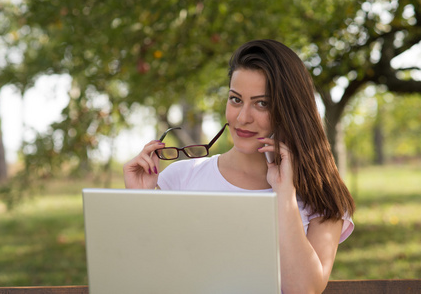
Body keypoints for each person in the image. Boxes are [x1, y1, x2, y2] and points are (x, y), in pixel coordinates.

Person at [123, 39, 355, 294]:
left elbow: (303, 289)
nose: (243, 118)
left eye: (261, 103)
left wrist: (284, 195)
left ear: (290, 110)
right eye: (235, 100)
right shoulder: (182, 178)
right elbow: (143, 277)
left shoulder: (321, 196)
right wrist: (139, 200)